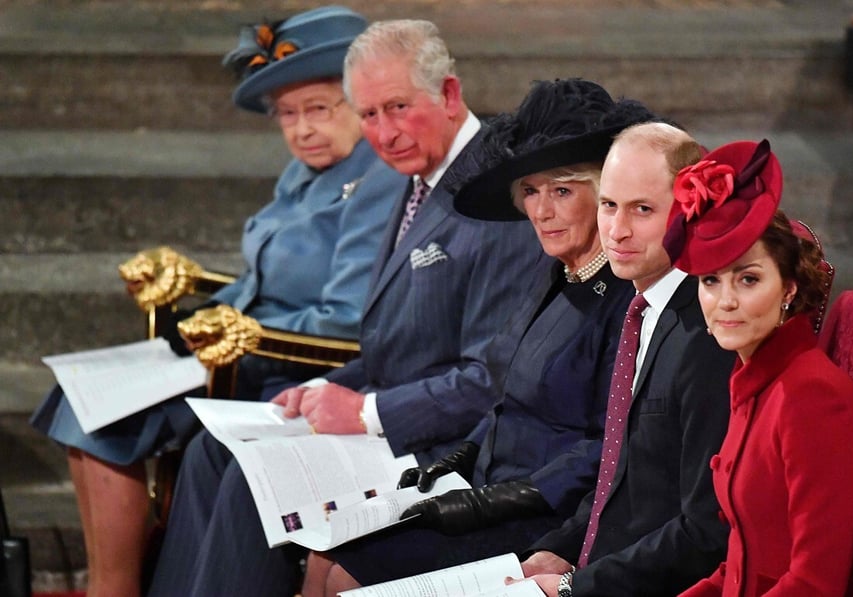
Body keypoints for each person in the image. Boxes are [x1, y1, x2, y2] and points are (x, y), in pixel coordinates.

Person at [146, 19, 542, 596]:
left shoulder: (491, 197)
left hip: (452, 446)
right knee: (212, 451)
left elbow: (490, 380)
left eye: (400, 107)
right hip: (396, 415)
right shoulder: (418, 175)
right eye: (369, 115)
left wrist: (363, 413)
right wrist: (321, 391)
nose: (385, 132)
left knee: (254, 480)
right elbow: (396, 347)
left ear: (450, 95)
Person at [29, 7, 404, 597]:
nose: (301, 128)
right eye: (286, 114)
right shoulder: (304, 173)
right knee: (79, 398)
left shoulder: (379, 177)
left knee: (99, 416)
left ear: (359, 102)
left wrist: (234, 329)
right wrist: (205, 317)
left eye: (317, 109)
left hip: (292, 363)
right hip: (242, 343)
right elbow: (260, 279)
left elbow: (348, 317)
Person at [301, 77, 655, 595]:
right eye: (531, 192)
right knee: (321, 552)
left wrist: (500, 498)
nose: (542, 210)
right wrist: (460, 459)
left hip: (548, 515)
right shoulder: (553, 273)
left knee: (344, 579)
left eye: (562, 190)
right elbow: (504, 395)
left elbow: (607, 447)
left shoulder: (626, 300)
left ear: (605, 196)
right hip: (487, 488)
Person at [519, 122, 735, 597]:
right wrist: (562, 546)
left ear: (688, 213)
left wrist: (579, 585)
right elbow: (623, 476)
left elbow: (705, 530)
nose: (617, 231)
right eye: (608, 205)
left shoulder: (707, 336)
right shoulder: (640, 307)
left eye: (642, 210)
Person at [667, 140, 853, 596]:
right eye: (711, 281)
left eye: (749, 278)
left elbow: (815, 583)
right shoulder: (753, 380)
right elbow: (741, 565)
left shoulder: (812, 395)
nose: (726, 301)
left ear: (789, 290)